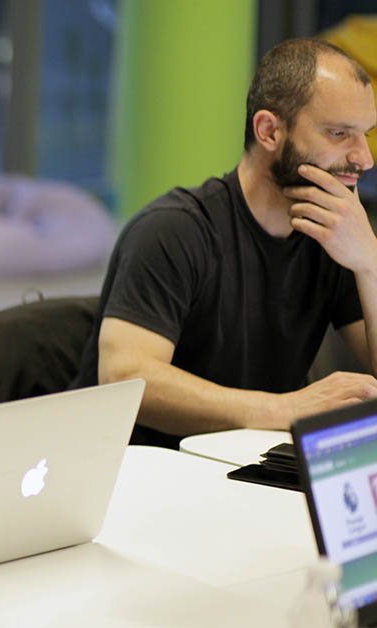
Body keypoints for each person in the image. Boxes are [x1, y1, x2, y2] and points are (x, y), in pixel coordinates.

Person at [72, 38, 377, 446]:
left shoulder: (337, 236)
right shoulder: (174, 230)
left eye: (365, 135)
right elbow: (126, 377)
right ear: (269, 130)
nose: (364, 158)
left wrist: (369, 261)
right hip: (144, 474)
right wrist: (285, 409)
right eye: (340, 134)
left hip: (247, 467)